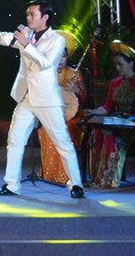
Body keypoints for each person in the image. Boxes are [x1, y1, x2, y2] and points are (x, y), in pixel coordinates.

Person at [0, 1, 85, 198]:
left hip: (46, 99)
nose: (29, 18)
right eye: (27, 14)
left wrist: (26, 44)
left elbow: (46, 63)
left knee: (62, 142)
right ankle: (12, 184)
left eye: (33, 14)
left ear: (45, 17)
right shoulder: (26, 33)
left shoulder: (56, 40)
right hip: (26, 96)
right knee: (15, 140)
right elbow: (1, 37)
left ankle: (75, 184)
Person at [83, 50, 135, 188]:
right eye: (116, 65)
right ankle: (98, 178)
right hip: (119, 122)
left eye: (120, 64)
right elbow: (108, 107)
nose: (118, 68)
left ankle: (109, 179)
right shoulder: (114, 83)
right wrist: (93, 111)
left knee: (110, 135)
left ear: (131, 64)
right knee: (97, 131)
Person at [38, 31, 87, 185]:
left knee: (64, 130)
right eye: (57, 56)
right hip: (51, 113)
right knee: (45, 131)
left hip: (72, 116)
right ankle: (49, 174)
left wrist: (76, 90)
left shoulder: (75, 74)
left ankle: (65, 176)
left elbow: (86, 99)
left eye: (63, 56)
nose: (60, 60)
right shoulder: (46, 73)